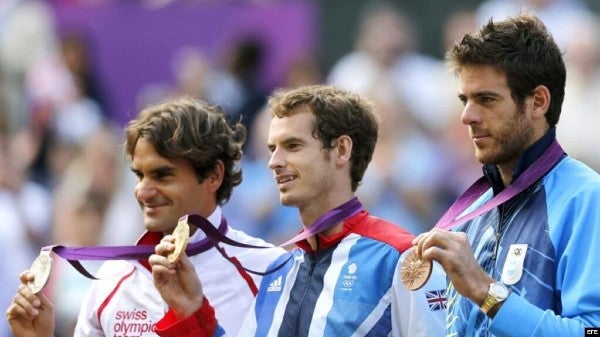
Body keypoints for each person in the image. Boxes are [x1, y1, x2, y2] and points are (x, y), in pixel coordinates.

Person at [148, 85, 447, 336]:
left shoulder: (401, 257)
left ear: (342, 150)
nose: (274, 162)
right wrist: (191, 311)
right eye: (272, 148)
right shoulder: (280, 270)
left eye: (292, 145)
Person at [5, 98, 286, 336]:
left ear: (213, 175)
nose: (143, 191)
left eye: (162, 175)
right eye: (140, 175)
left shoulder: (269, 271)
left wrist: (194, 321)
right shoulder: (112, 279)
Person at [412, 12, 600, 336]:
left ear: (538, 102)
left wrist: (486, 292)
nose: (467, 116)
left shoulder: (586, 200)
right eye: (465, 100)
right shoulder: (471, 212)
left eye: (486, 99)